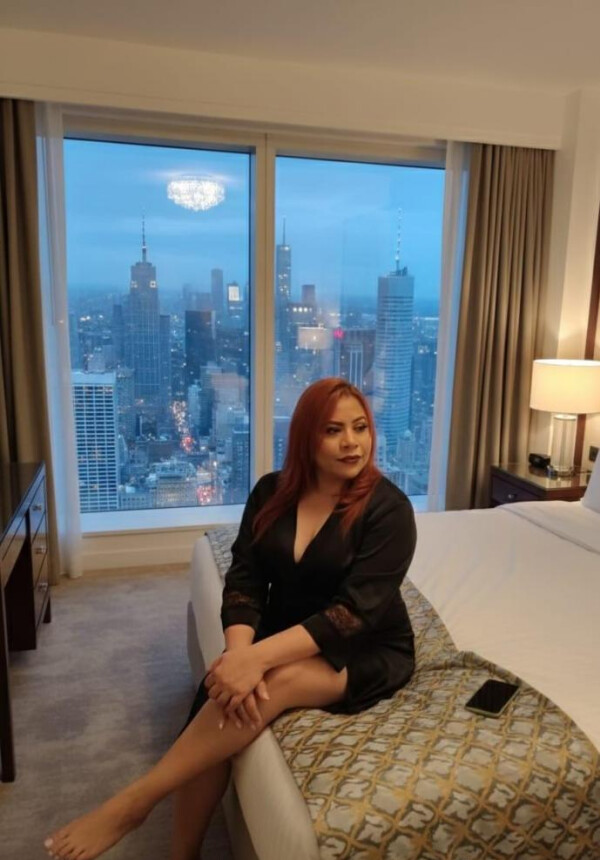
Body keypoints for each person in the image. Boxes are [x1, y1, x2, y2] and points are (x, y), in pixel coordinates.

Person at [44, 377, 417, 860]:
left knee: (277, 681)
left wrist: (257, 660)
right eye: (333, 430)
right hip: (284, 628)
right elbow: (244, 580)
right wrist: (239, 656)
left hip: (364, 645)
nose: (352, 442)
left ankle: (134, 803)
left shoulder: (390, 510)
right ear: (306, 436)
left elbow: (349, 615)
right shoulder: (271, 492)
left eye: (360, 427)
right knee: (223, 687)